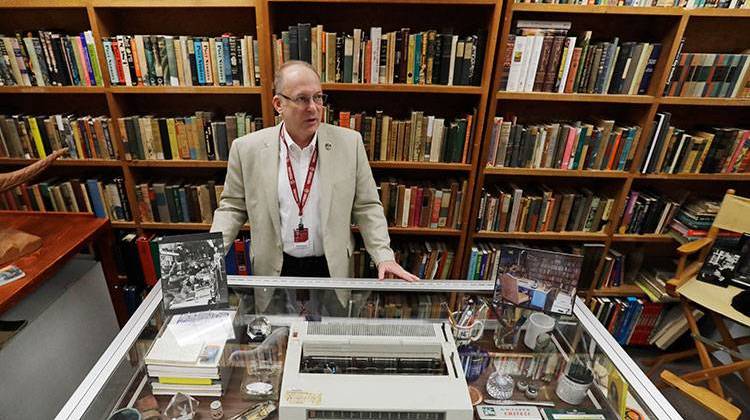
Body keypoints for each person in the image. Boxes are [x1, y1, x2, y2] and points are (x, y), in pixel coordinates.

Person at [211, 60, 419, 313]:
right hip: (275, 269)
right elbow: (232, 208)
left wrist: (383, 255)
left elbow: (366, 206)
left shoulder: (349, 144)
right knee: (280, 341)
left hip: (330, 268)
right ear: (279, 104)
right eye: (301, 99)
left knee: (327, 342)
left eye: (318, 97)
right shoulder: (247, 149)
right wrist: (208, 256)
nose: (313, 108)